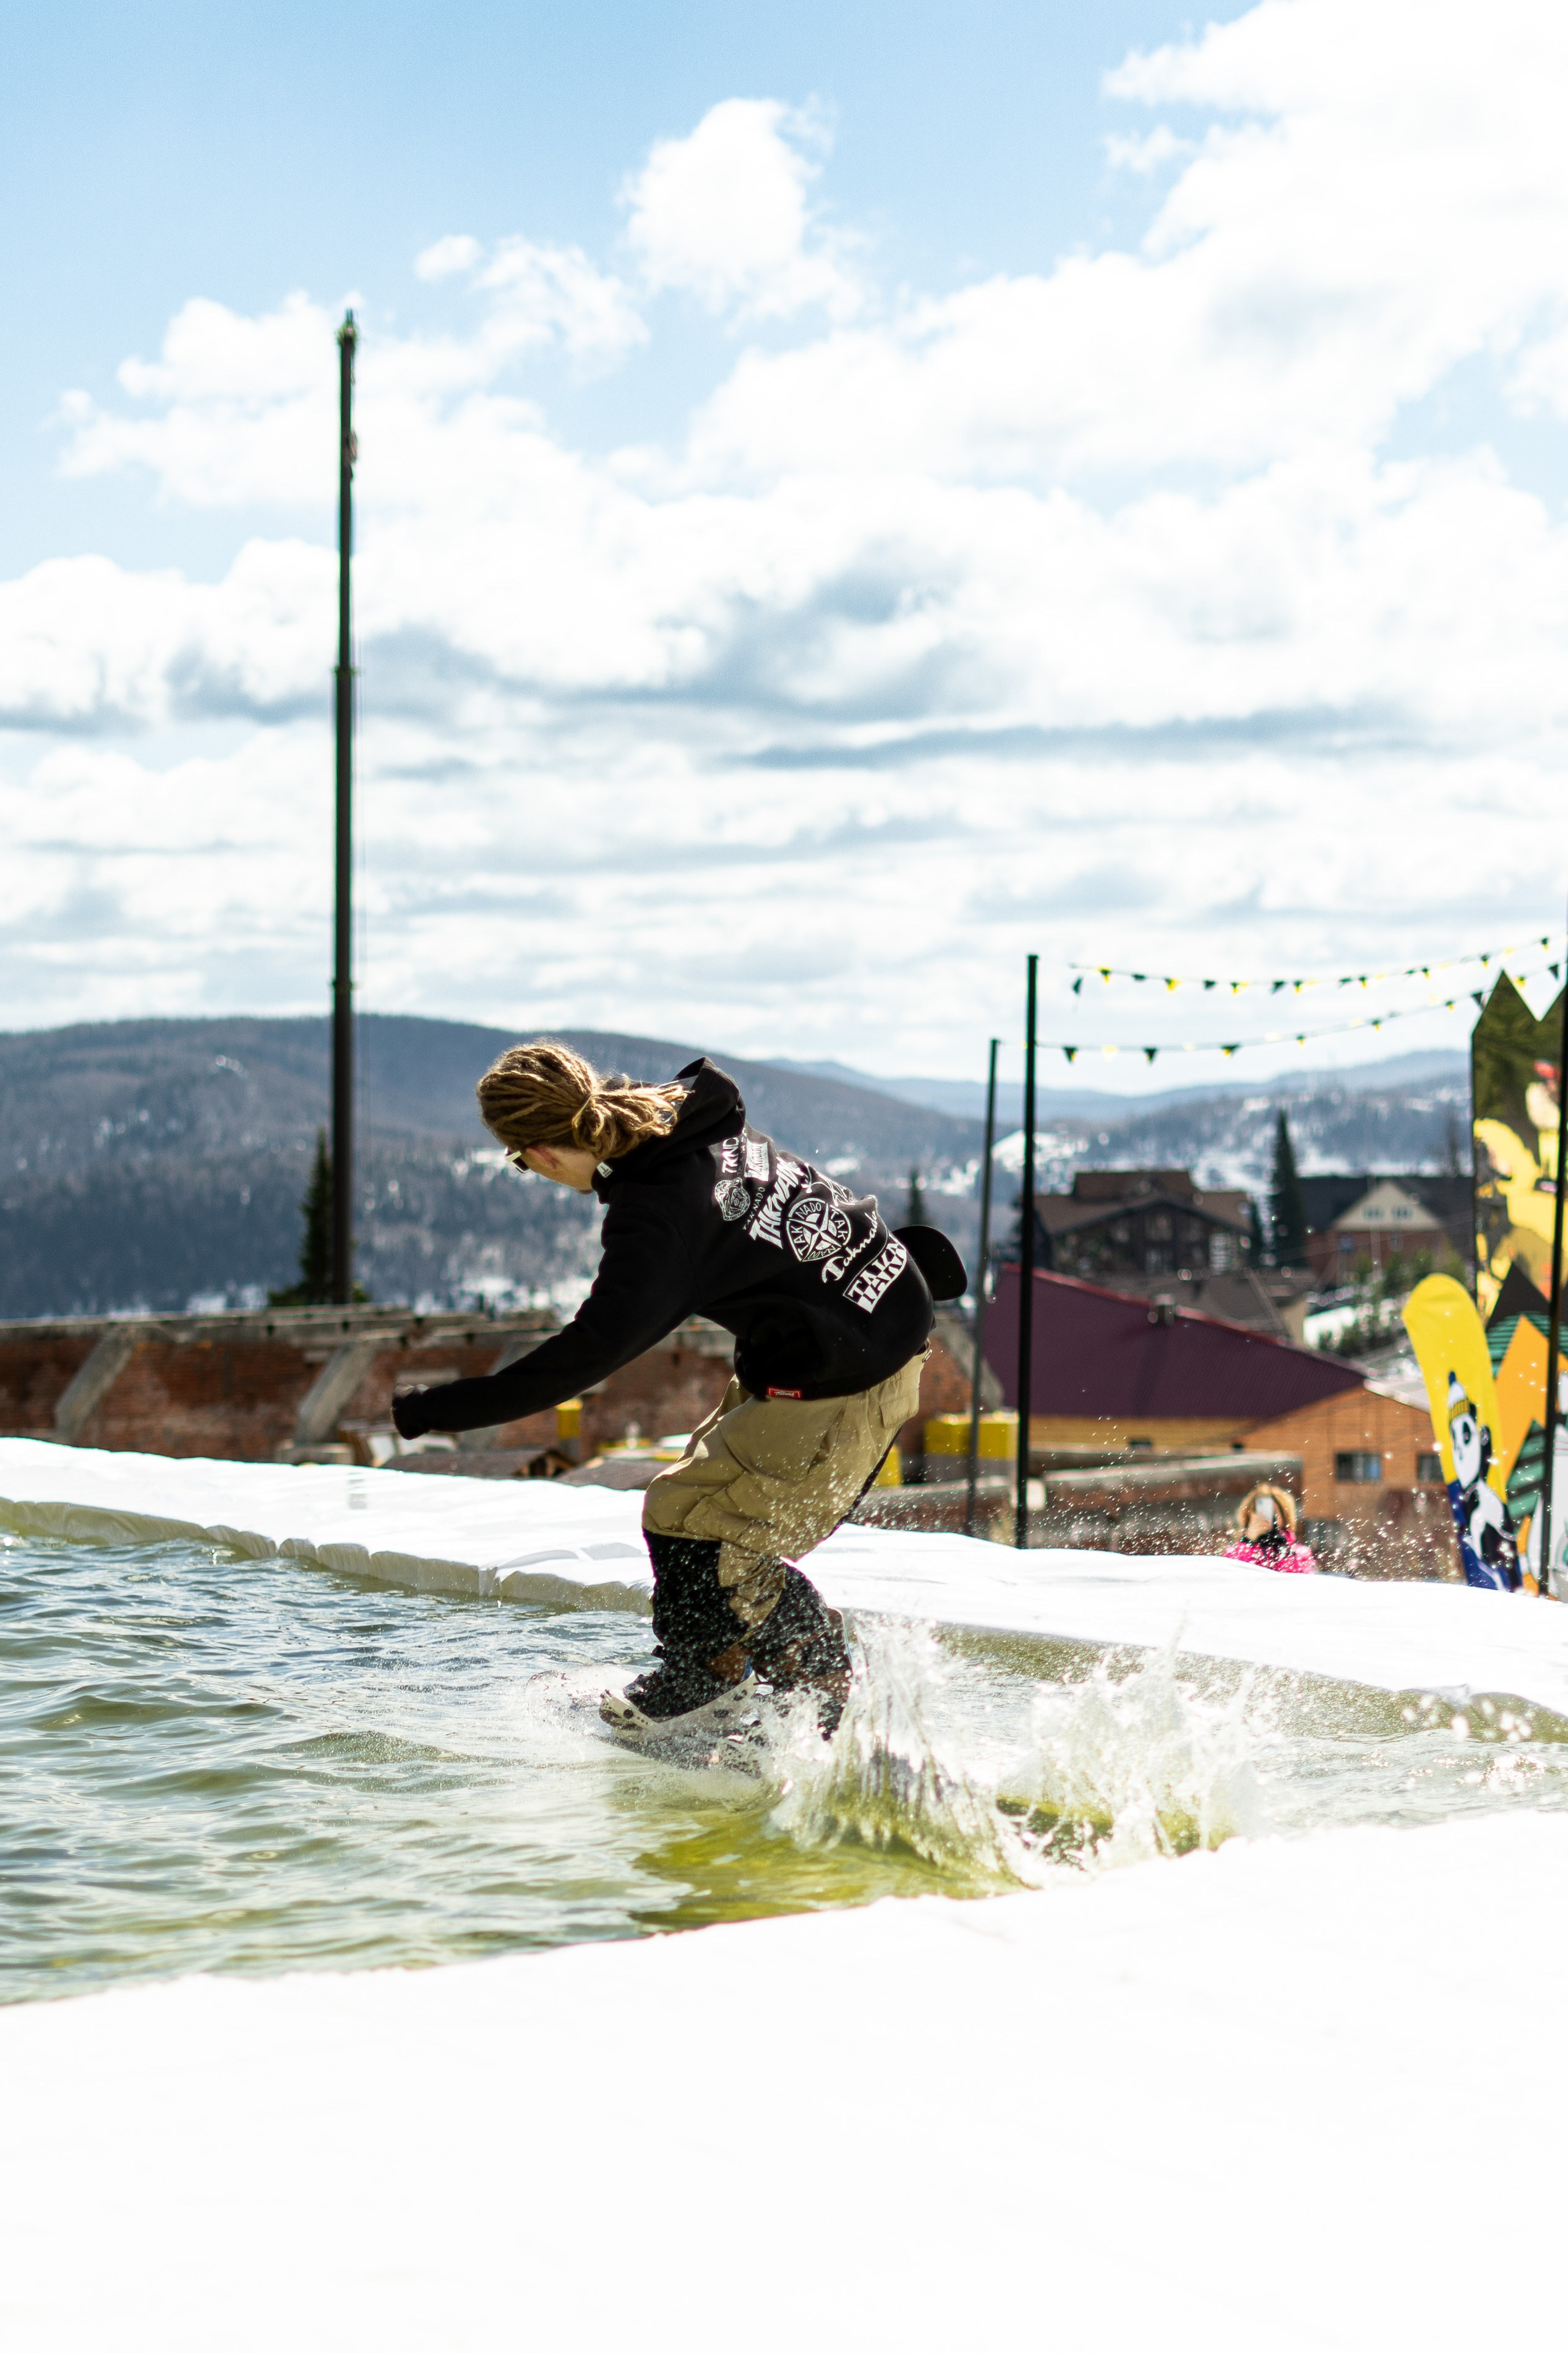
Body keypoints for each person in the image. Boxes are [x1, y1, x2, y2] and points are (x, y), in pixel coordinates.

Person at [392, 1043, 939, 1736]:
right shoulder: (681, 1111)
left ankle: (816, 1697)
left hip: (853, 1369)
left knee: (722, 1546)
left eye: (520, 1161)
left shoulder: (658, 1223)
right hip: (834, 1334)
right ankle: (713, 1672)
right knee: (677, 1508)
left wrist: (427, 1409)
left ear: (542, 1154)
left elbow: (579, 1360)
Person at [1223, 1484, 1318, 1574]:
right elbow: (1235, 1579)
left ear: (1285, 1517)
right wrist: (1248, 1543)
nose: (1266, 1518)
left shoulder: (1301, 1553)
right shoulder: (1234, 1552)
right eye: (1258, 1513)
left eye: (1274, 1513)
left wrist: (1284, 1548)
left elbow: (1300, 1583)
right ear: (1248, 1518)